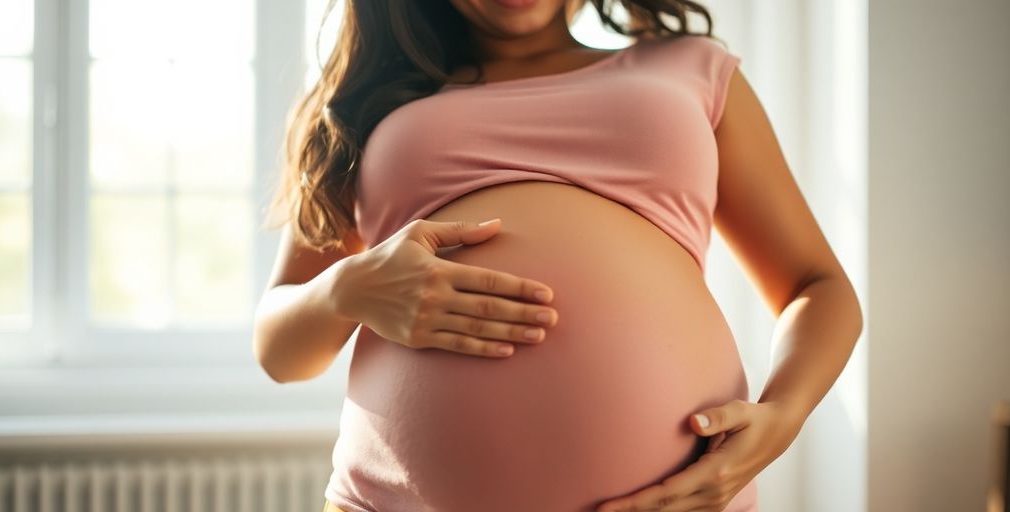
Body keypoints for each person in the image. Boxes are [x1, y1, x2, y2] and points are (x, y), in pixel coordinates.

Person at [252, 0, 864, 511]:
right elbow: (280, 351)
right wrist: (346, 291)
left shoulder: (693, 69)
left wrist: (782, 418)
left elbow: (817, 285)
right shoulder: (364, 102)